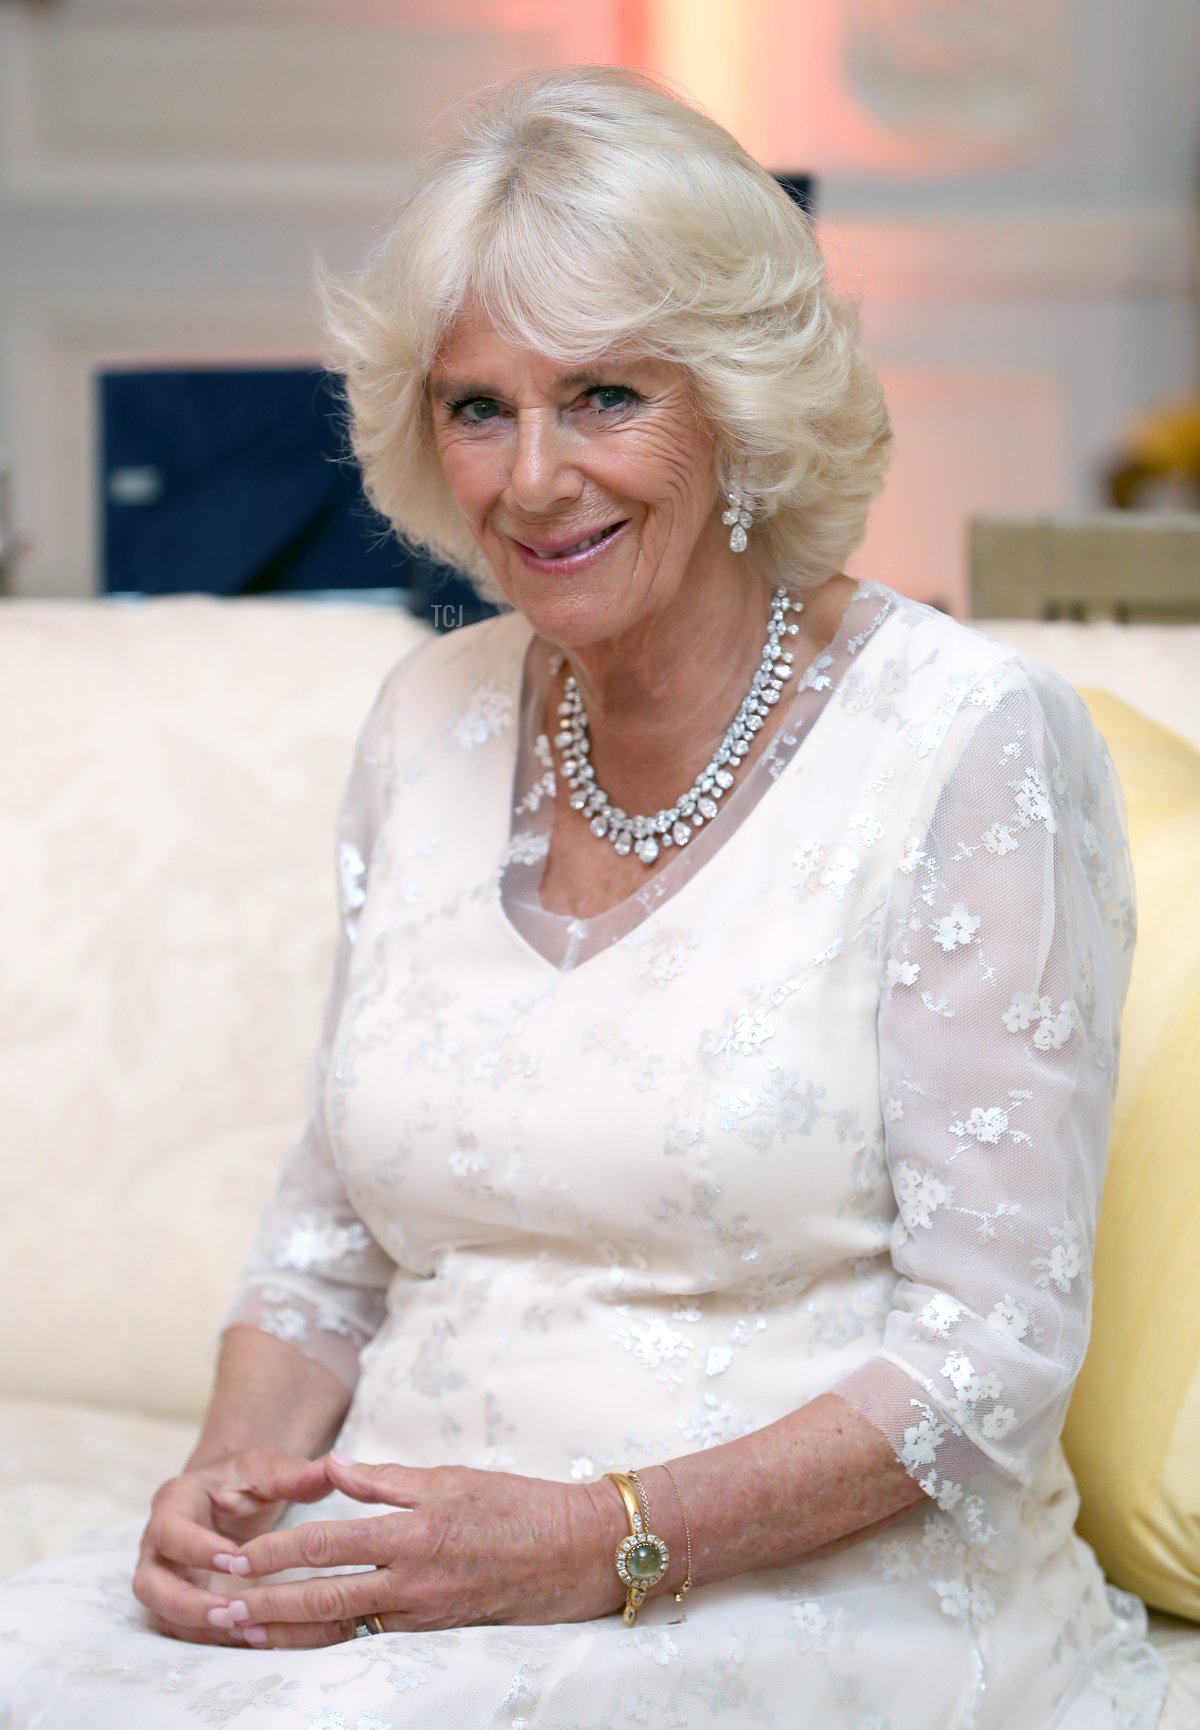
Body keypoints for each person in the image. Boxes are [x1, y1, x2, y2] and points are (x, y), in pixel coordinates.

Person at [0, 65, 1168, 1730]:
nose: (534, 478)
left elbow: (985, 1367)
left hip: (814, 1589)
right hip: (416, 1563)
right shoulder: (428, 713)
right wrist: (231, 1482)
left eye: (606, 397)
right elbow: (326, 1244)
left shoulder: (968, 743)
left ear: (742, 404)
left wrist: (589, 1542)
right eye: (479, 407)